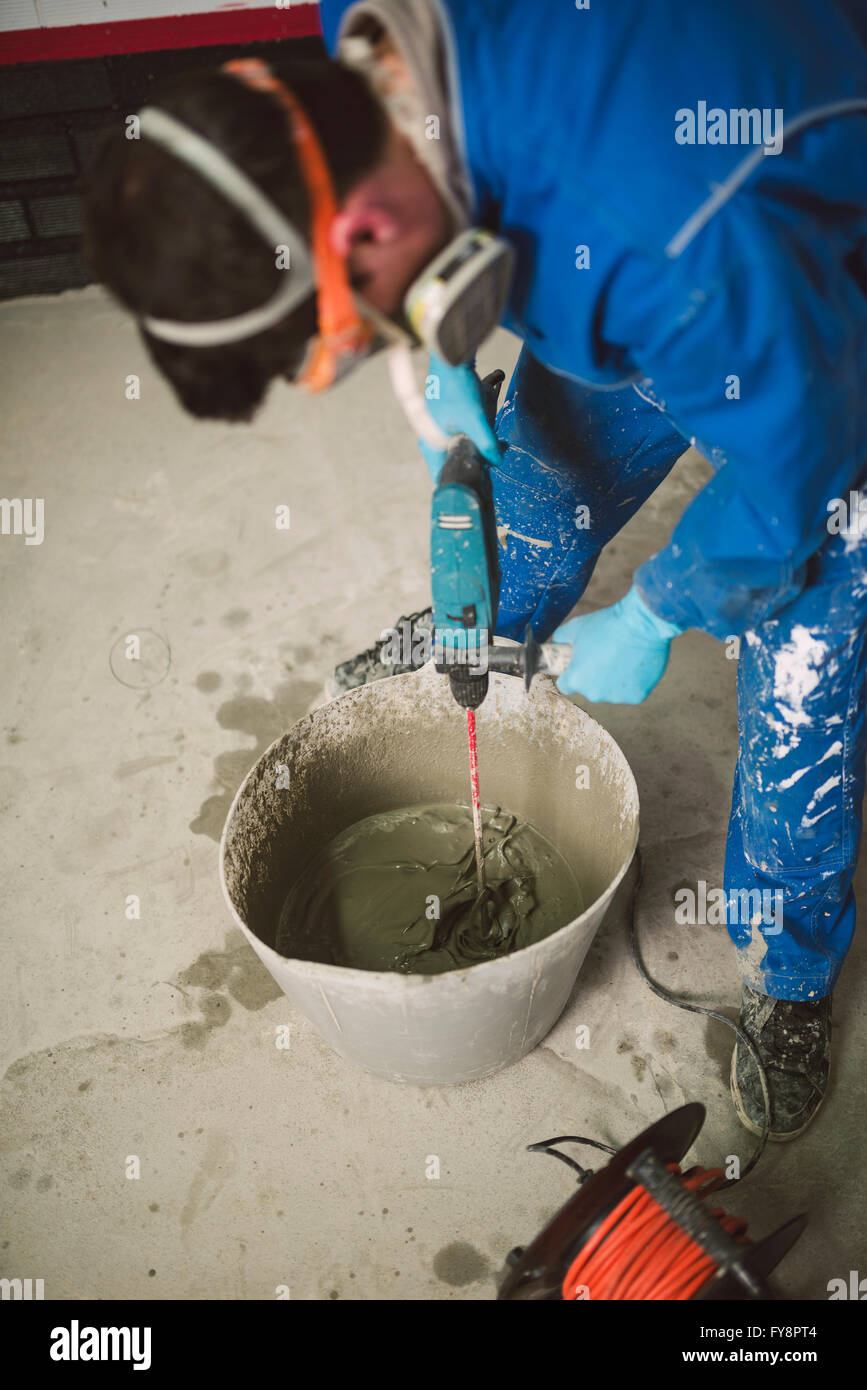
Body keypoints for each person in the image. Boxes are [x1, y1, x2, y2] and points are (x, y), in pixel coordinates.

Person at [83, 0, 867, 1140]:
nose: (387, 349)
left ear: (366, 223)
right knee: (543, 479)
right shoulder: (372, 30)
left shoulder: (663, 236)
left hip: (818, 301)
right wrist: (431, 346)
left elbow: (799, 457)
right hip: (635, 224)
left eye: (363, 337)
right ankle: (475, 633)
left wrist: (658, 608)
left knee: (803, 661)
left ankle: (792, 976)